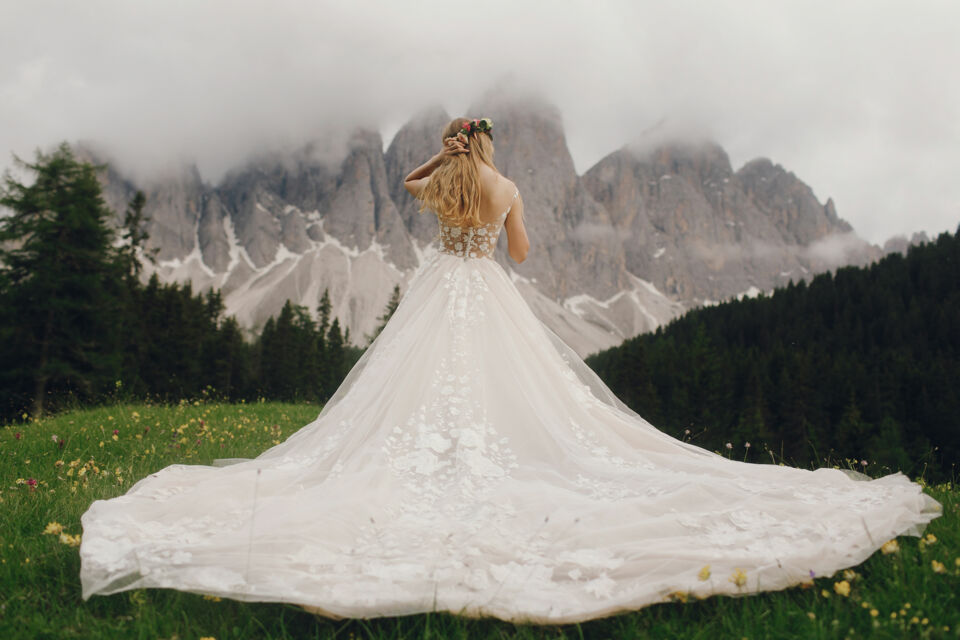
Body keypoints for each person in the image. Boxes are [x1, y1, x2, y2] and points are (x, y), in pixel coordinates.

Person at [79, 117, 942, 625]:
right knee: (512, 395)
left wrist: (444, 154)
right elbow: (521, 256)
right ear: (493, 144)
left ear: (457, 140)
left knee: (414, 396)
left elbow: (410, 181)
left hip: (436, 293)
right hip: (484, 290)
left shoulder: (438, 181)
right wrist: (491, 183)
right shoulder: (504, 187)